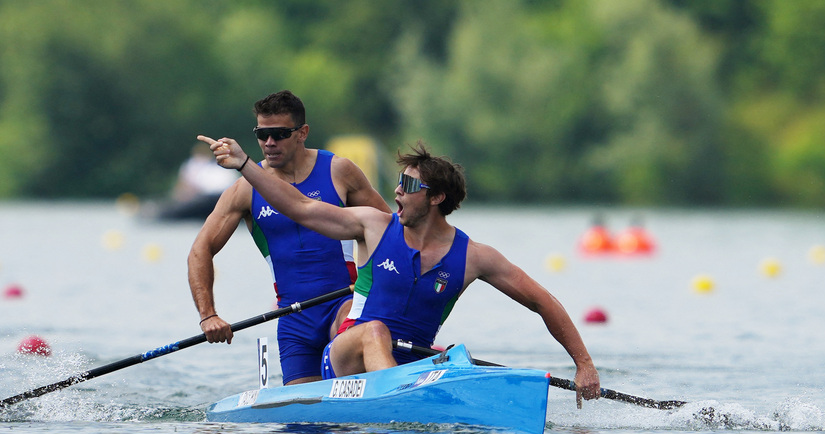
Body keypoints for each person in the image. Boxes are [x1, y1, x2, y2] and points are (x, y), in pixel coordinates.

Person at [198, 135, 602, 403]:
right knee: (375, 331)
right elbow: (299, 207)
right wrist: (246, 165)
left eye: (408, 187)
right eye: (398, 182)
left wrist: (584, 363)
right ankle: (399, 401)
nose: (395, 192)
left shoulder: (476, 257)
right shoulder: (373, 227)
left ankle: (405, 395)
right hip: (345, 357)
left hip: (413, 366)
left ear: (437, 198)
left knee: (457, 356)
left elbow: (542, 301)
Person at [188, 90, 391, 385]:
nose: (269, 143)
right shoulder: (244, 190)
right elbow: (199, 250)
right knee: (303, 427)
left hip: (345, 304)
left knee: (352, 350)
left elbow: (391, 234)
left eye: (280, 134)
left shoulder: (339, 171)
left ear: (302, 133)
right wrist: (208, 315)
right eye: (262, 134)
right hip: (295, 321)